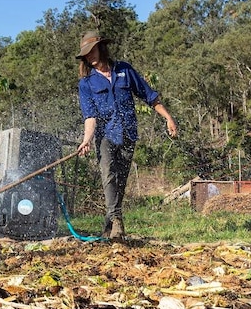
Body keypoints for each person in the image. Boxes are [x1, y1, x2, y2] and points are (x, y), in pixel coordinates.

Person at [75, 30, 177, 242]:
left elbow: (149, 95)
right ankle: (117, 220)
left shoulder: (124, 70)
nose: (89, 56)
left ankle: (109, 224)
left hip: (128, 133)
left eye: (91, 51)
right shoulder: (86, 83)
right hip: (105, 136)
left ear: (101, 48)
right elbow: (90, 116)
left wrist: (168, 118)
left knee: (120, 181)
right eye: (86, 54)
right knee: (108, 175)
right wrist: (86, 140)